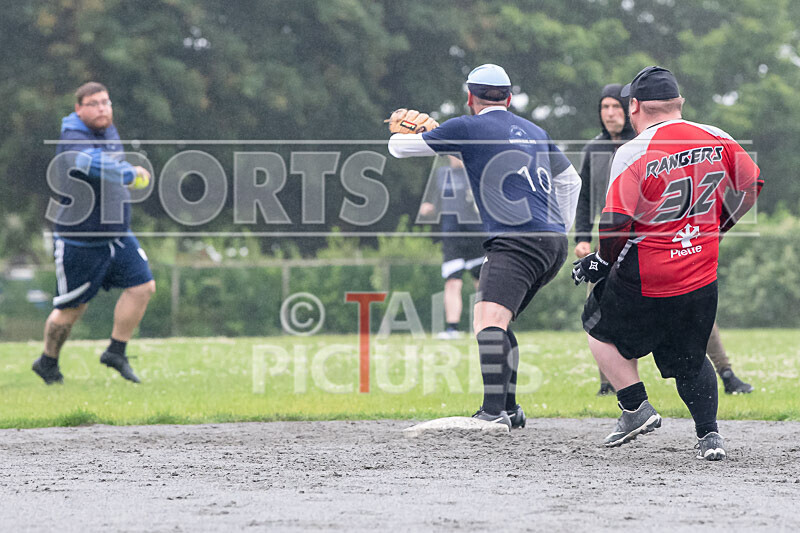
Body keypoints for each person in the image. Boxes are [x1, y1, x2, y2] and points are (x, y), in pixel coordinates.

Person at [572, 66, 763, 460]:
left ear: (635, 106)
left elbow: (616, 221)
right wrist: (721, 225)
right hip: (701, 271)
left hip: (649, 275)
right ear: (680, 104)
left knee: (596, 326)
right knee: (692, 355)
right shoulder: (718, 136)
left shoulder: (634, 150)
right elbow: (752, 184)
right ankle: (710, 436)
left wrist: (601, 263)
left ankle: (635, 406)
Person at [389, 64, 582, 430]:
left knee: (487, 321)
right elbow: (571, 180)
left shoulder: (467, 126)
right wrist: (560, 229)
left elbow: (398, 150)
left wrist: (406, 130)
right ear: (509, 98)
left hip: (514, 241)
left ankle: (493, 413)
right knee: (500, 321)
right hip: (551, 243)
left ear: (469, 98)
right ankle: (509, 408)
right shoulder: (536, 131)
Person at [32, 82, 155, 385]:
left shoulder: (107, 130)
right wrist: (130, 173)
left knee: (143, 287)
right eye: (94, 103)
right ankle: (48, 361)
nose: (102, 108)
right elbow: (93, 164)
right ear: (79, 108)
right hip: (80, 241)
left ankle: (116, 351)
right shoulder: (72, 138)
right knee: (71, 310)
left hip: (117, 234)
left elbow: (111, 160)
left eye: (106, 102)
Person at [573, 84, 637, 396]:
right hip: (604, 245)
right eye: (604, 107)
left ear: (628, 110)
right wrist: (582, 238)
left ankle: (726, 372)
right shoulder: (592, 150)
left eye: (616, 106)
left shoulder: (641, 144)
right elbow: (583, 199)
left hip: (640, 243)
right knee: (597, 312)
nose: (610, 113)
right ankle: (607, 384)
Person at [418, 156, 485, 339]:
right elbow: (434, 200)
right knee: (452, 282)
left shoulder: (476, 172)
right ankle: (452, 329)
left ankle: (486, 326)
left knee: (482, 283)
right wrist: (429, 207)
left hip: (476, 235)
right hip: (452, 236)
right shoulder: (442, 174)